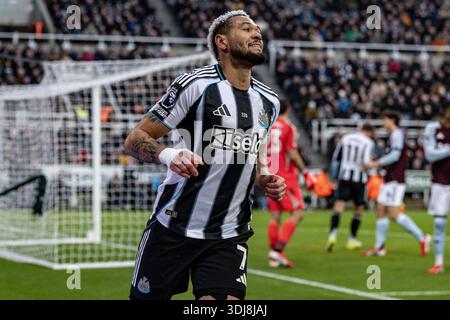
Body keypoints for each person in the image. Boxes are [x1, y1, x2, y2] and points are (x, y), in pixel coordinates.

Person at [124, 10, 285, 300]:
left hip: (229, 232)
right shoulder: (195, 85)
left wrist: (264, 179)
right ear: (222, 42)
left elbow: (255, 157)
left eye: (257, 30)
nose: (257, 33)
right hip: (173, 225)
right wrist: (168, 154)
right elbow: (135, 139)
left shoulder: (269, 102)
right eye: (246, 28)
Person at [363, 111, 430, 256]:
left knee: (393, 213)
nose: (383, 123)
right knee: (380, 208)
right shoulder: (393, 136)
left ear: (392, 120)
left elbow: (395, 155)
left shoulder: (397, 134)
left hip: (395, 180)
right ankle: (379, 247)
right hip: (389, 179)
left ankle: (422, 237)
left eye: (385, 120)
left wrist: (375, 163)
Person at [266, 100, 311, 268]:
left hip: (269, 173)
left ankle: (273, 258)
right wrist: (305, 171)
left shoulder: (268, 126)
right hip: (286, 176)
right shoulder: (288, 126)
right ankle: (277, 251)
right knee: (298, 213)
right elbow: (292, 153)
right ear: (289, 109)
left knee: (275, 216)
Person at [326, 123, 375, 252]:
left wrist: (334, 175)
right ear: (369, 132)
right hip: (359, 178)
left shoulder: (346, 138)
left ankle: (332, 236)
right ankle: (352, 239)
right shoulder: (368, 142)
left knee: (339, 206)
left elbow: (336, 157)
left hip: (344, 176)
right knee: (358, 208)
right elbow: (365, 162)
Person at [423, 104, 450, 274]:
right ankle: (438, 263)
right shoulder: (434, 129)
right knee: (439, 223)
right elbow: (429, 155)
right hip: (441, 183)